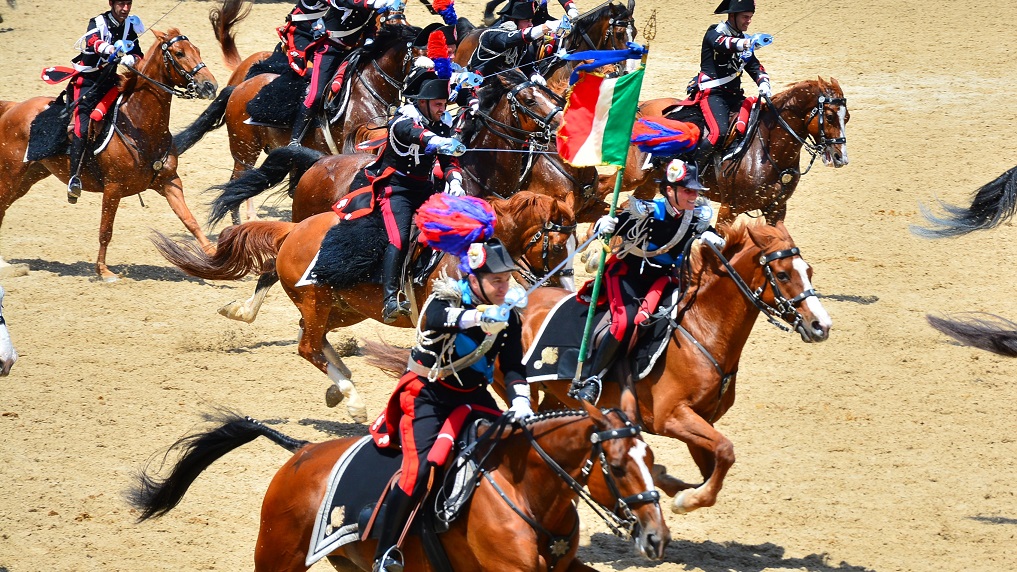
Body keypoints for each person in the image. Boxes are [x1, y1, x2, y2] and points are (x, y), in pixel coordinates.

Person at [370, 238, 532, 572]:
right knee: (420, 471)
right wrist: (477, 318)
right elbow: (438, 319)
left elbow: (514, 365)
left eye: (507, 279)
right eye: (497, 280)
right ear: (474, 280)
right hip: (428, 393)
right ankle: (385, 553)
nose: (505, 286)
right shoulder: (444, 298)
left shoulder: (508, 316)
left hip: (473, 395)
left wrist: (521, 400)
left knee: (514, 447)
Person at [569, 159, 726, 404]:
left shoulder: (697, 218)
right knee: (625, 321)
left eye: (696, 191)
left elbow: (715, 239)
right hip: (629, 274)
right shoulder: (648, 211)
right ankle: (592, 379)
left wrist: (714, 239)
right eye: (688, 190)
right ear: (670, 190)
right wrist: (605, 225)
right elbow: (617, 226)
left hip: (664, 279)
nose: (694, 196)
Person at [344, 74, 466, 323]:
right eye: (438, 105)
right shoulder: (403, 121)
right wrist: (438, 140)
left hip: (425, 191)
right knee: (398, 238)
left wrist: (455, 180)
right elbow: (413, 134)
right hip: (395, 191)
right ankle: (390, 299)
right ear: (423, 103)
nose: (442, 110)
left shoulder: (441, 124)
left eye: (444, 104)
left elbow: (448, 162)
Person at [66, 0, 144, 203]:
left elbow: (138, 53)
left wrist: (132, 59)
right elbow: (93, 42)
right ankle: (74, 178)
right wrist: (112, 50)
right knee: (82, 127)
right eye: (121, 4)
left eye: (128, 4)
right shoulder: (98, 22)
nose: (125, 8)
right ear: (112, 3)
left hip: (110, 83)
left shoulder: (129, 26)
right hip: (87, 83)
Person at [287, 0, 394, 146]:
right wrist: (370, 3)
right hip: (329, 50)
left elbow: (370, 25)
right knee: (316, 94)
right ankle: (295, 141)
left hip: (353, 50)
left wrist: (370, 40)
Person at [691, 0, 772, 168]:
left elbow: (755, 67)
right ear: (732, 15)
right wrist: (748, 43)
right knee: (718, 133)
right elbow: (724, 44)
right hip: (713, 95)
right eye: (745, 17)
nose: (748, 21)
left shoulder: (743, 40)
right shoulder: (714, 33)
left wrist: (764, 84)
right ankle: (690, 174)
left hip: (734, 96)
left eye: (750, 17)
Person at [467, 0, 562, 85]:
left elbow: (525, 61)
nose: (531, 24)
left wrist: (533, 74)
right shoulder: (494, 34)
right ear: (513, 21)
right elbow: (511, 39)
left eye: (531, 21)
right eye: (527, 21)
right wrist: (545, 27)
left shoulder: (521, 44)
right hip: (477, 87)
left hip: (499, 87)